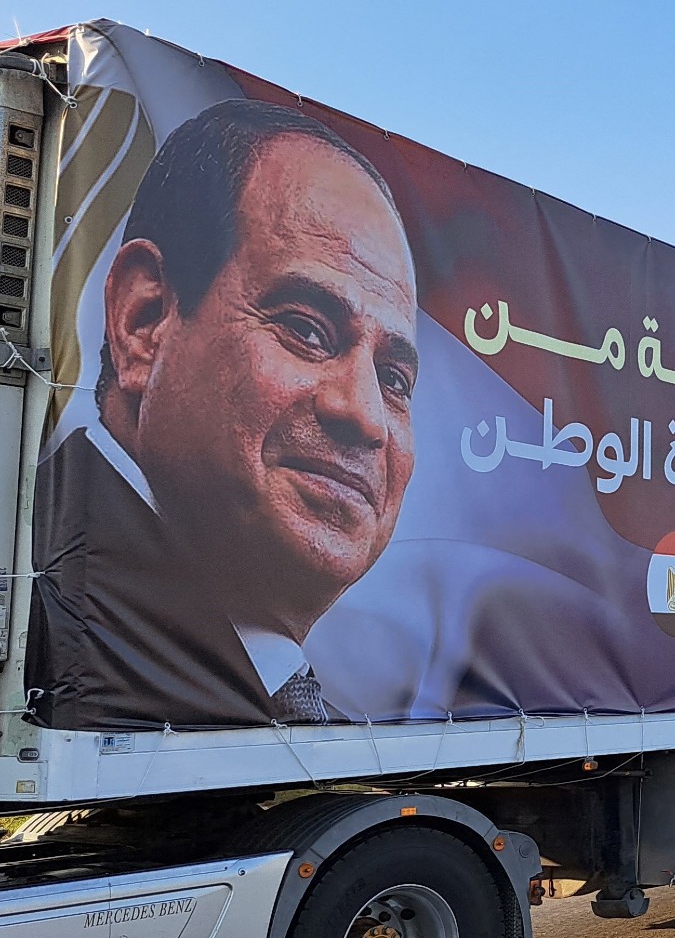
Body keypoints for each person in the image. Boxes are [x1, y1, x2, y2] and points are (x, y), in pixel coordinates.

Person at [29, 98, 418, 731]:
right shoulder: (38, 613)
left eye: (394, 379)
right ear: (144, 322)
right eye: (306, 330)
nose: (366, 416)